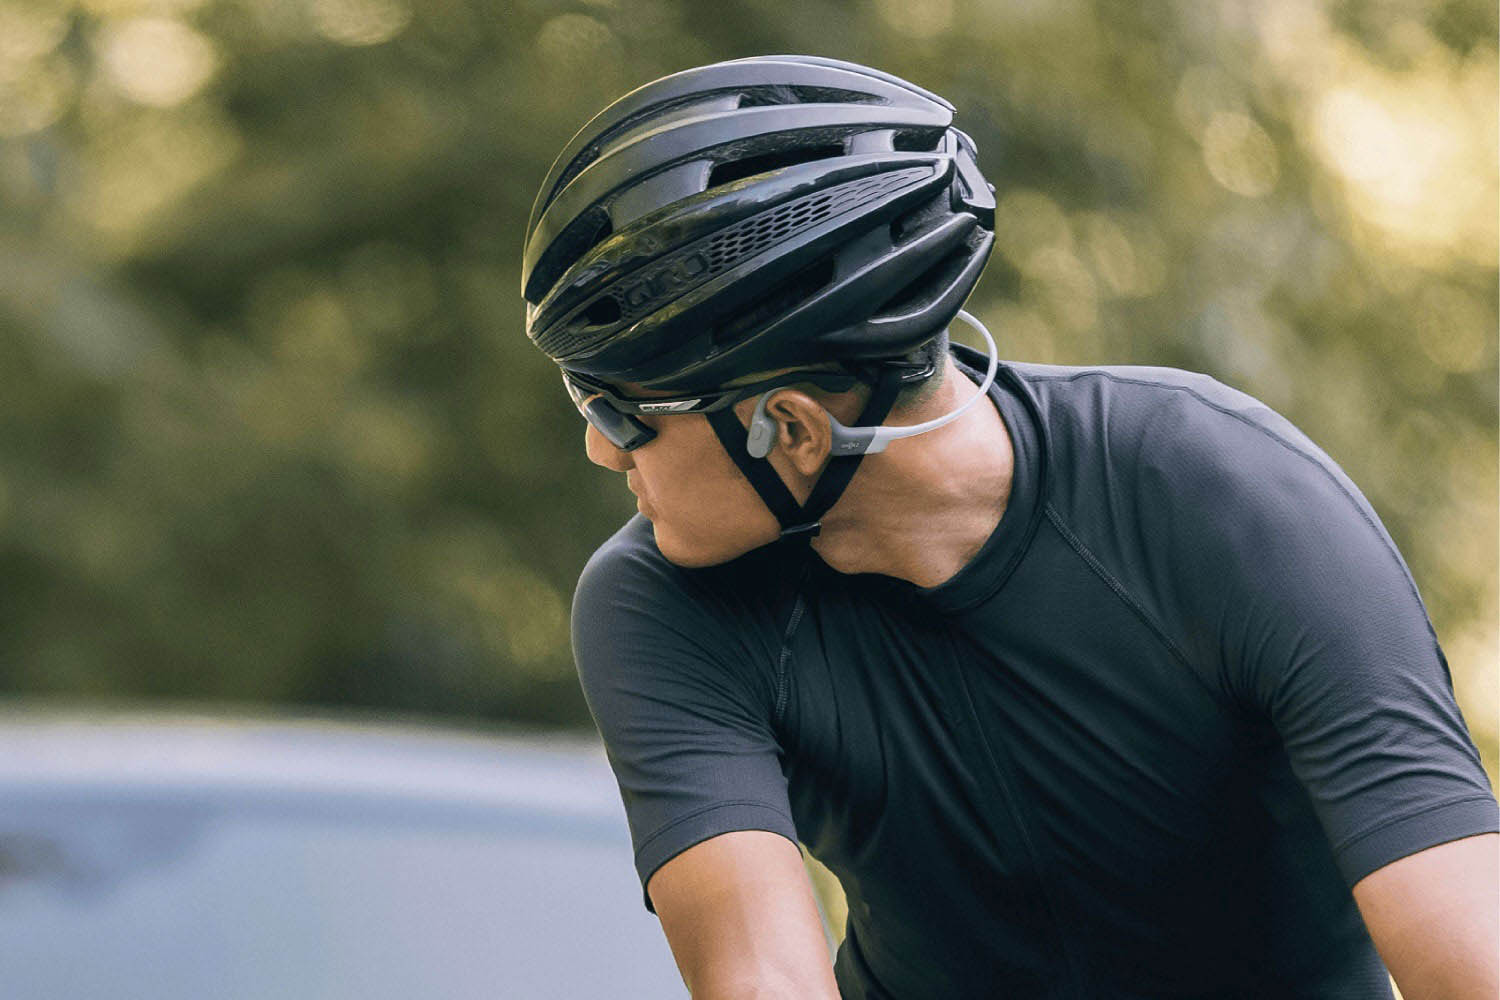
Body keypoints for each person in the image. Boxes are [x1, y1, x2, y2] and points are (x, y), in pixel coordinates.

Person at [520, 55, 1498, 999]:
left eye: (622, 413)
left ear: (793, 430)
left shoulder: (1219, 494)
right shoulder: (658, 600)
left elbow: (1469, 959)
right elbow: (760, 980)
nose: (603, 450)